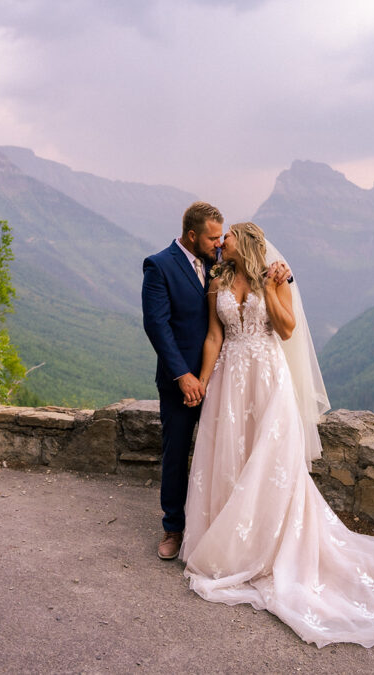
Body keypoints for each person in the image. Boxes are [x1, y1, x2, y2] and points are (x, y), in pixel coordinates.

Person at [179, 222, 374, 648]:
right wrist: (202, 382)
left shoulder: (276, 276)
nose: (222, 243)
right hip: (228, 382)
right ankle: (232, 543)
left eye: (229, 236)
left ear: (248, 243)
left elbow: (287, 329)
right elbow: (215, 335)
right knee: (229, 460)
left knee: (269, 464)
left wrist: (272, 289)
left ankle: (267, 547)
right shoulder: (217, 280)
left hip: (267, 380)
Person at [141, 202, 224, 560]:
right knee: (175, 453)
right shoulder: (159, 265)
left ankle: (214, 526)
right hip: (181, 382)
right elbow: (156, 325)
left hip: (221, 380)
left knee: (220, 452)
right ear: (192, 235)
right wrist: (184, 376)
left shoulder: (217, 261)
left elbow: (256, 271)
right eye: (212, 237)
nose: (218, 243)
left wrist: (284, 272)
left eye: (221, 237)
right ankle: (173, 528)